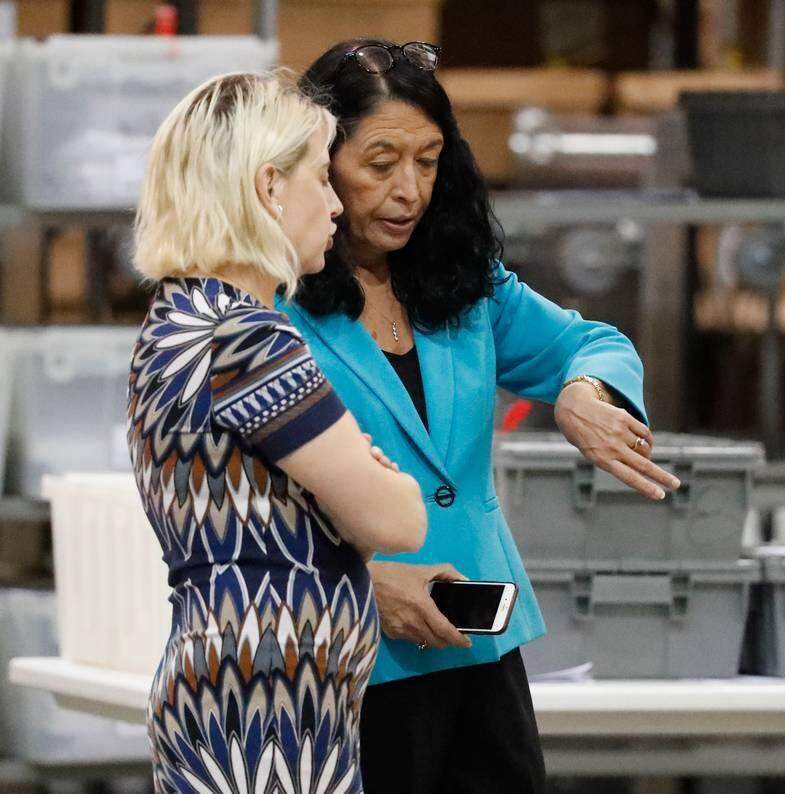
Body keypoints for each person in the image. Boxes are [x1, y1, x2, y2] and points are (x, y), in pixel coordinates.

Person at [281, 40, 682, 793]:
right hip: (352, 663)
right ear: (319, 165)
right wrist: (359, 587)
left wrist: (583, 392)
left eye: (428, 162)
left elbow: (591, 344)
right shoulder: (274, 308)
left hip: (482, 653)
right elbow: (238, 506)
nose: (409, 190)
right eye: (380, 163)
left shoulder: (465, 284)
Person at [128, 72, 427, 793]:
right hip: (267, 719)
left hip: (245, 705)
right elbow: (396, 520)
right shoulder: (247, 339)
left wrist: (352, 483)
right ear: (268, 189)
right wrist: (375, 481)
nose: (334, 205)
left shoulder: (182, 319)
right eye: (321, 179)